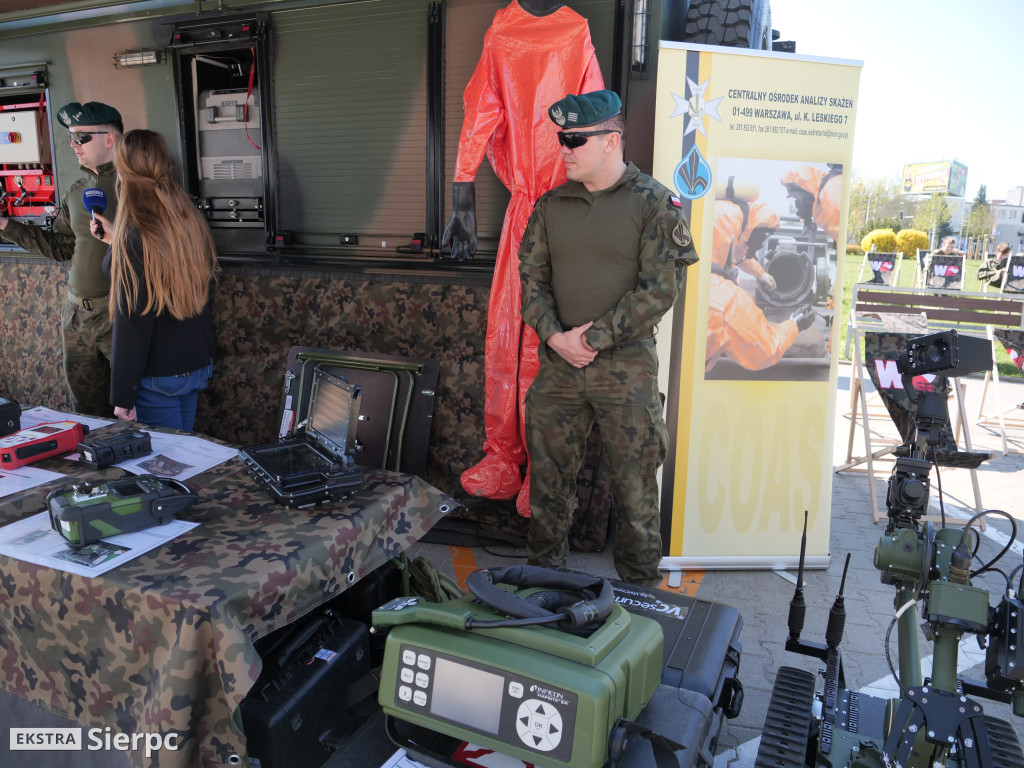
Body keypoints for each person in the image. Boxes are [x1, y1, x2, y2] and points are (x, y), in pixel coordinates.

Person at [518, 90, 698, 587]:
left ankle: (642, 597)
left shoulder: (654, 203)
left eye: (575, 139)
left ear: (611, 140)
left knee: (636, 488)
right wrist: (557, 339)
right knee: (549, 486)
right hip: (558, 370)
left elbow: (660, 290)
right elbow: (530, 281)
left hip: (626, 370)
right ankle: (541, 588)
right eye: (561, 139)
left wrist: (592, 339)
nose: (565, 149)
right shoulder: (551, 206)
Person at [444, 0, 605, 516]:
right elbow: (482, 109)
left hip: (565, 210)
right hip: (523, 209)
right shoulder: (502, 32)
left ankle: (544, 468)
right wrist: (461, 194)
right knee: (507, 335)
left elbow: (597, 119)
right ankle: (503, 457)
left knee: (549, 340)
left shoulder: (575, 32)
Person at [89, 129, 218, 431]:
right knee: (183, 460)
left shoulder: (133, 238)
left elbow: (132, 322)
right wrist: (115, 243)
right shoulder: (188, 220)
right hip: (195, 364)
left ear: (123, 172)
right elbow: (163, 268)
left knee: (164, 468)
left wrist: (122, 395)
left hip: (159, 375)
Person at [0, 101, 122, 416]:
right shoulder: (75, 192)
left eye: (82, 137)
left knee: (137, 406)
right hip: (77, 315)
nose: (73, 145)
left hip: (122, 312)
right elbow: (61, 247)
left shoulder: (138, 187)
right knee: (88, 410)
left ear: (109, 139)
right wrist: (4, 225)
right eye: (71, 137)